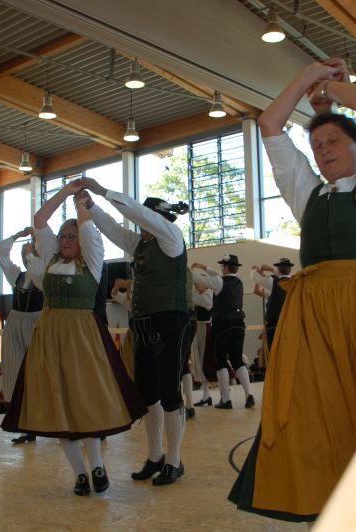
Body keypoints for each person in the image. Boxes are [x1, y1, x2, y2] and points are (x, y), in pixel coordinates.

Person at [228, 59, 356, 523]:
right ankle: (326, 506)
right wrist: (308, 74)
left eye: (333, 141)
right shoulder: (307, 194)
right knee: (312, 413)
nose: (324, 150)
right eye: (316, 145)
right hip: (312, 316)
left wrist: (331, 90)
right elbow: (269, 124)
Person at [1, 181, 146, 496]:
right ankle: (80, 473)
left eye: (71, 236)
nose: (66, 240)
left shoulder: (92, 259)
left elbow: (88, 228)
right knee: (59, 407)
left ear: (82, 241)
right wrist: (65, 193)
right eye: (63, 236)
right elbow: (40, 220)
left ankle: (97, 465)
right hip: (49, 337)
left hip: (82, 337)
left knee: (84, 402)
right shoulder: (50, 259)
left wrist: (81, 202)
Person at [80, 178, 191, 486]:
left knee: (169, 393)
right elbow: (114, 230)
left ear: (157, 219)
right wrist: (92, 207)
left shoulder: (171, 236)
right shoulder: (141, 243)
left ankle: (174, 460)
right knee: (148, 394)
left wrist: (103, 191)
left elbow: (137, 214)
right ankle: (155, 456)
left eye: (146, 219)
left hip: (169, 322)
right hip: (142, 325)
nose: (141, 225)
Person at [192, 255, 254, 410]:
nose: (220, 269)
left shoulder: (219, 282)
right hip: (239, 324)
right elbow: (215, 275)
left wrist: (184, 270)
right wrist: (204, 266)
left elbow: (202, 279)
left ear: (226, 267)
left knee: (220, 361)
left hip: (222, 326)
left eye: (222, 266)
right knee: (237, 360)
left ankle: (226, 399)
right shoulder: (239, 282)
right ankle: (249, 395)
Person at [250, 258, 294, 353]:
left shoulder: (275, 282)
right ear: (290, 269)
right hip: (290, 322)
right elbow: (258, 289)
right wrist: (270, 270)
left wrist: (255, 269)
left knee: (273, 350)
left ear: (278, 269)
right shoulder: (294, 282)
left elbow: (256, 277)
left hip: (274, 323)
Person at [189, 277, 213, 408]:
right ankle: (206, 395)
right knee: (199, 361)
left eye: (198, 283)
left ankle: (223, 393)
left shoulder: (209, 296)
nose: (196, 285)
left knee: (206, 361)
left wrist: (190, 290)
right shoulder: (199, 295)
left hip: (205, 329)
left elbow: (196, 299)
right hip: (198, 329)